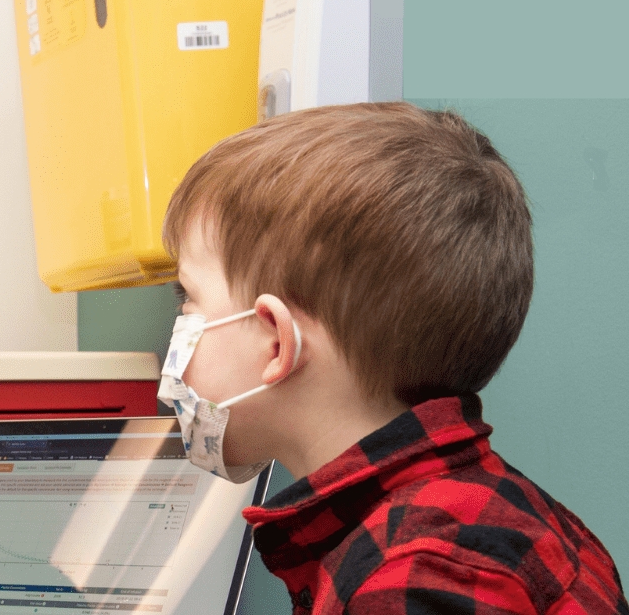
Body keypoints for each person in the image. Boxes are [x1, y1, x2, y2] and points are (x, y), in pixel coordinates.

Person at [159, 103, 625, 615]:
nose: (179, 332)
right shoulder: (473, 520)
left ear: (276, 343)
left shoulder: (420, 572)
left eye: (189, 301)